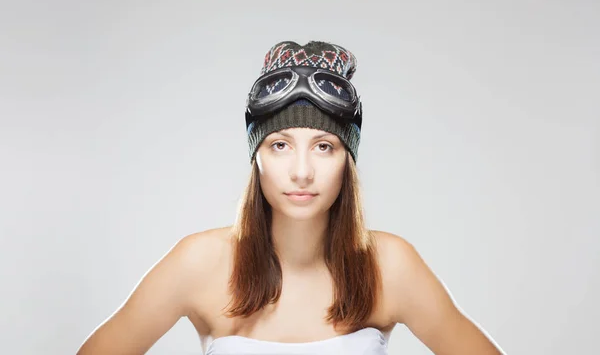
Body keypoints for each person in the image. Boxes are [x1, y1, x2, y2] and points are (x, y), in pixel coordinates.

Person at [77, 41, 505, 354]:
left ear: (347, 160)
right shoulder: (199, 262)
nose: (302, 171)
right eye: (280, 145)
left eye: (324, 146)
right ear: (256, 157)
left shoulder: (389, 266)